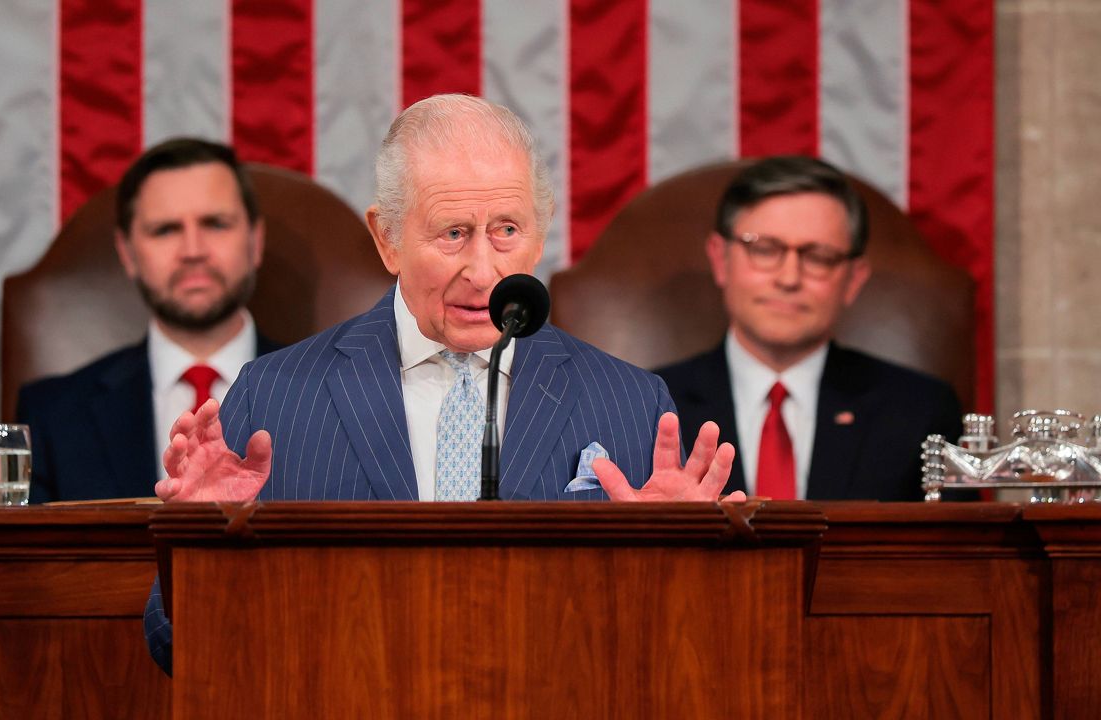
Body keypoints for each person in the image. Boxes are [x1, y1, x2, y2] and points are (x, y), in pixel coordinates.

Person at [143, 94, 742, 674]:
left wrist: (686, 570)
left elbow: (684, 654)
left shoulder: (631, 403)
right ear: (387, 239)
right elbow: (177, 645)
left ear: (541, 234)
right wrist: (196, 551)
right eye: (453, 233)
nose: (482, 272)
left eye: (506, 230)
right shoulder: (275, 395)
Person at [655, 156, 962, 502]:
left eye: (818, 256)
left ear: (854, 279)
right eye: (764, 249)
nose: (789, 278)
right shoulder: (652, 404)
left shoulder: (919, 411)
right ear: (720, 258)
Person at [16, 138, 282, 503]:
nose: (193, 251)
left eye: (216, 224)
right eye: (165, 230)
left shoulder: (331, 395)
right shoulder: (52, 416)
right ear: (127, 254)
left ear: (255, 241)